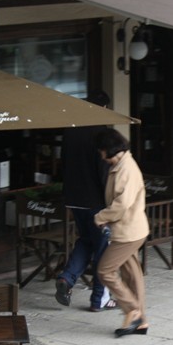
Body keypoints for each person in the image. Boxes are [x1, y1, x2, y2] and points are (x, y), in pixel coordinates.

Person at [55, 90, 115, 312]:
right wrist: (111, 203)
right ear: (104, 108)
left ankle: (67, 278)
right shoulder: (102, 134)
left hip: (74, 198)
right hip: (95, 201)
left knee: (86, 240)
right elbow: (103, 171)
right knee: (102, 248)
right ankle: (100, 298)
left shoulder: (71, 130)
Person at [93, 128, 149, 337]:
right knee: (132, 275)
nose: (100, 155)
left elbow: (122, 204)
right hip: (131, 229)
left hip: (129, 232)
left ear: (108, 149)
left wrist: (101, 217)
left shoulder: (126, 169)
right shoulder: (121, 165)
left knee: (105, 270)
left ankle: (133, 310)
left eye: (101, 151)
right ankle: (139, 320)